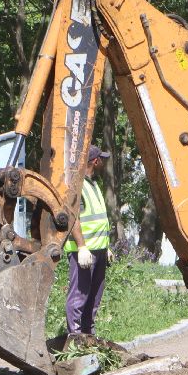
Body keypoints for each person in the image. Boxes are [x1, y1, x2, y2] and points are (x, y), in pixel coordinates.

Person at [64, 144, 112, 339]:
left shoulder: (92, 184)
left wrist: (106, 247)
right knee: (79, 297)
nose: (103, 162)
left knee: (93, 298)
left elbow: (98, 218)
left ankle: (88, 337)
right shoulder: (77, 186)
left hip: (98, 251)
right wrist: (82, 247)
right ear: (95, 161)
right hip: (84, 253)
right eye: (101, 159)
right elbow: (72, 218)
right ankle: (75, 339)